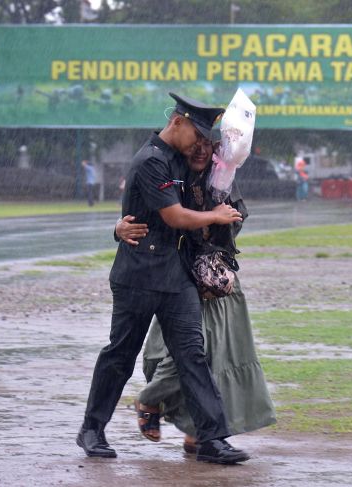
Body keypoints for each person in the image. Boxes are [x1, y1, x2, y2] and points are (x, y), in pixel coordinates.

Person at [77, 92, 250, 465]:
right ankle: (92, 429)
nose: (200, 145)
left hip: (175, 277)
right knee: (120, 356)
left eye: (207, 141)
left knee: (192, 356)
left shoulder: (183, 161)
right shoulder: (151, 161)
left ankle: (211, 438)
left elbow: (214, 186)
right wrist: (215, 217)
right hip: (138, 275)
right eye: (197, 136)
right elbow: (174, 216)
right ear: (177, 122)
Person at [115, 132, 276, 455]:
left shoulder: (223, 179)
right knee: (187, 355)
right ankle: (150, 399)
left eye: (209, 145)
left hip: (217, 282)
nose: (201, 150)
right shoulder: (169, 172)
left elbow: (235, 221)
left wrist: (219, 220)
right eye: (196, 144)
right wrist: (118, 228)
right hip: (177, 279)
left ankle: (196, 433)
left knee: (219, 358)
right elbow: (147, 215)